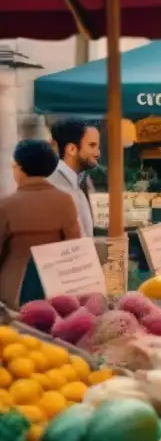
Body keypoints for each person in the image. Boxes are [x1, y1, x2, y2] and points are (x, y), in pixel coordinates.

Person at [0, 140, 82, 307]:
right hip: (55, 290)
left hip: (13, 292)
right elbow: (74, 247)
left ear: (20, 168)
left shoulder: (6, 205)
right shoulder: (64, 201)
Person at [49, 119, 101, 236]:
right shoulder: (56, 187)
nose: (98, 153)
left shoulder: (76, 181)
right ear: (72, 149)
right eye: (92, 145)